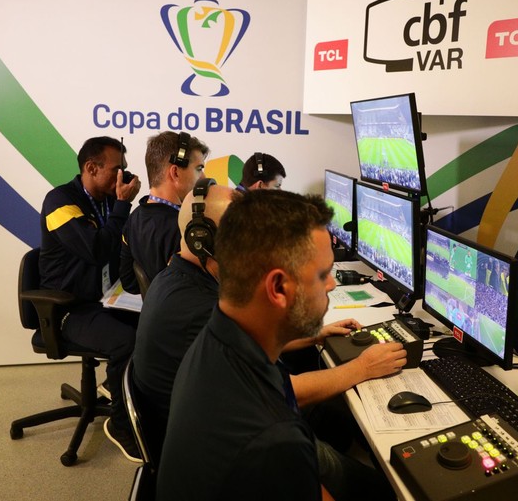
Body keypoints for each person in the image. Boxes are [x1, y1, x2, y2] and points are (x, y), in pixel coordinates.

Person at [137, 183, 402, 500]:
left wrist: (310, 335)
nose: (332, 284)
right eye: (322, 274)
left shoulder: (216, 333)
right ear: (277, 288)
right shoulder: (273, 441)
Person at [39, 136, 143, 461]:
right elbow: (97, 249)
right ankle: (121, 425)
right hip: (68, 309)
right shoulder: (59, 202)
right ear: (91, 168)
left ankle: (119, 386)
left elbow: (122, 244)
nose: (123, 177)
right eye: (117, 170)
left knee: (157, 322)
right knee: (126, 342)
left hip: (105, 299)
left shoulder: (108, 200)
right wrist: (123, 205)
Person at [119, 131, 209, 294]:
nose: (203, 177)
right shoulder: (187, 230)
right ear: (175, 173)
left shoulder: (134, 218)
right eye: (198, 169)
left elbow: (129, 282)